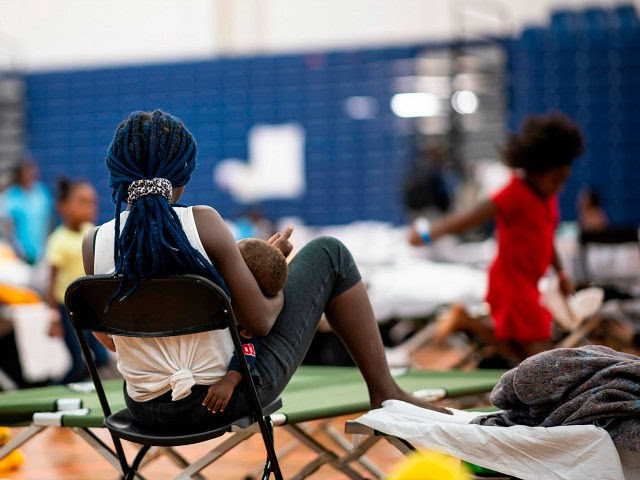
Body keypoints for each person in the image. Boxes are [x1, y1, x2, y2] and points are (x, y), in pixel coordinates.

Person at [84, 110, 448, 434]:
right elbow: (259, 322)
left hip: (141, 411)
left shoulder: (94, 242)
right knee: (329, 253)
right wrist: (274, 271)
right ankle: (385, 392)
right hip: (222, 399)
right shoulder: (204, 224)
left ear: (116, 171)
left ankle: (386, 392)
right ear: (184, 173)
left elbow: (114, 339)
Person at [409, 113, 585, 363]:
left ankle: (467, 322)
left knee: (522, 357)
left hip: (530, 284)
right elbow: (468, 218)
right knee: (540, 360)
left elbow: (548, 238)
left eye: (563, 180)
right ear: (536, 170)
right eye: (556, 179)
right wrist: (427, 234)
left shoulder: (548, 197)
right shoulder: (515, 193)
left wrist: (562, 274)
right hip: (512, 283)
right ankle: (468, 323)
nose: (560, 187)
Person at [204, 238, 288, 414]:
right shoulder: (215, 291)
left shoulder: (245, 324)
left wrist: (230, 380)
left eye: (235, 262)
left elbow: (247, 352)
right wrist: (271, 253)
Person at [46, 178, 109, 384]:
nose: (90, 207)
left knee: (101, 357)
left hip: (89, 308)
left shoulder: (91, 232)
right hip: (68, 309)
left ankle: (78, 386)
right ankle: (56, 390)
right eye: (83, 202)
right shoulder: (59, 239)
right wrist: (54, 318)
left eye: (93, 202)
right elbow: (52, 281)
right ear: (64, 207)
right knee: (78, 362)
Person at [0, 159, 53, 265]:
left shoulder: (41, 191)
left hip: (41, 253)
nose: (30, 174)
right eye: (26, 171)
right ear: (19, 174)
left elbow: (48, 221)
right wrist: (16, 250)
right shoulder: (10, 196)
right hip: (18, 255)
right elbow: (6, 228)